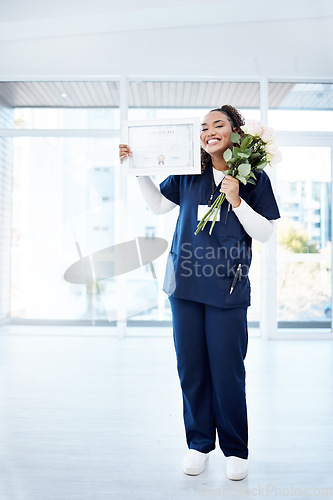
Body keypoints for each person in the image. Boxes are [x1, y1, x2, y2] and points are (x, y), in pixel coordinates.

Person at [119, 105, 280, 481]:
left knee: (227, 371)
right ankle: (198, 444)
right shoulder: (191, 171)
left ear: (235, 131)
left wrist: (237, 199)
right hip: (185, 285)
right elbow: (158, 206)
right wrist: (137, 169)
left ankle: (236, 449)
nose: (209, 131)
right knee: (191, 369)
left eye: (218, 124)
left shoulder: (254, 176)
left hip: (227, 286)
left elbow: (266, 232)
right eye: (204, 127)